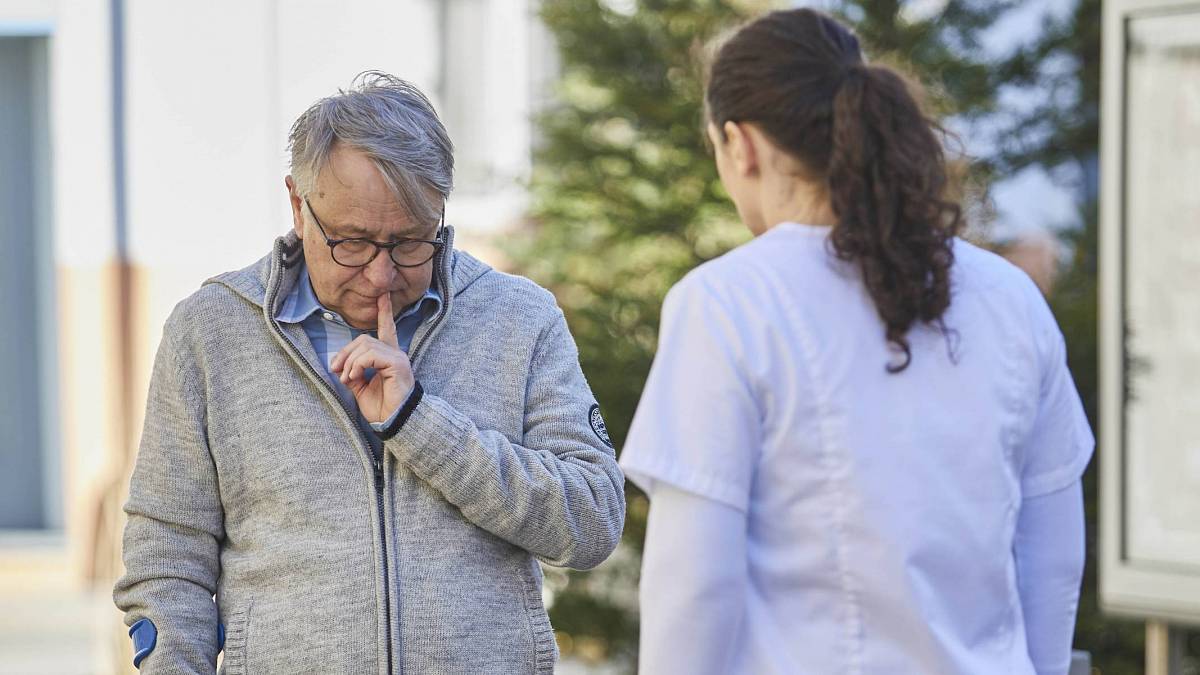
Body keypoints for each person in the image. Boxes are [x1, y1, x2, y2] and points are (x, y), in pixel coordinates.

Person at [619, 9, 1092, 675]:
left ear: (740, 144)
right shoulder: (1010, 297)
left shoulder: (726, 303)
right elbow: (1053, 558)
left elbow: (693, 589)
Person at [113, 72, 625, 674]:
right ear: (299, 207)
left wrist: (419, 422)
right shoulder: (209, 332)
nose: (381, 276)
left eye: (411, 242)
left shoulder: (519, 318)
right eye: (352, 243)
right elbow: (168, 556)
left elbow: (592, 522)